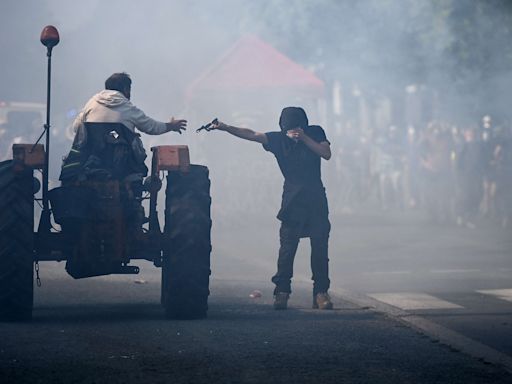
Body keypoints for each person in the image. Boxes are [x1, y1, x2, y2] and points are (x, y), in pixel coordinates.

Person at [210, 107, 333, 310]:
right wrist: (224, 127)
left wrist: (304, 138)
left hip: (316, 199)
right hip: (293, 200)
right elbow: (251, 134)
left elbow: (325, 153)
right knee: (287, 248)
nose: (294, 131)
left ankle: (321, 292)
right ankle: (282, 291)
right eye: (291, 129)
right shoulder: (278, 139)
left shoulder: (316, 132)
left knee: (320, 247)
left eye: (297, 128)